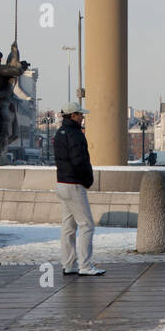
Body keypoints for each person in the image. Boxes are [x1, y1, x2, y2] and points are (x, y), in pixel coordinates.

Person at [52, 101, 103, 276]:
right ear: (73, 115)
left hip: (62, 183)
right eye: (80, 115)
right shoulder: (75, 134)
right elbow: (79, 161)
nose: (82, 118)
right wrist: (88, 179)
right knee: (87, 225)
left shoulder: (60, 133)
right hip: (74, 184)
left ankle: (69, 264)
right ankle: (86, 265)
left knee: (68, 226)